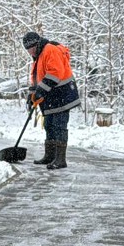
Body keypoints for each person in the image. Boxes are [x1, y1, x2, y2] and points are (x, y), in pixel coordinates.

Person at [22, 31, 80, 169]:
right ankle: (50, 156)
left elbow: (54, 74)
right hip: (51, 97)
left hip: (62, 95)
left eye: (31, 49)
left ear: (36, 44)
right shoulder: (38, 56)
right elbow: (37, 79)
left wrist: (40, 92)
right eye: (28, 50)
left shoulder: (50, 50)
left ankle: (60, 159)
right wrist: (31, 96)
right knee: (49, 125)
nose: (30, 52)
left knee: (59, 126)